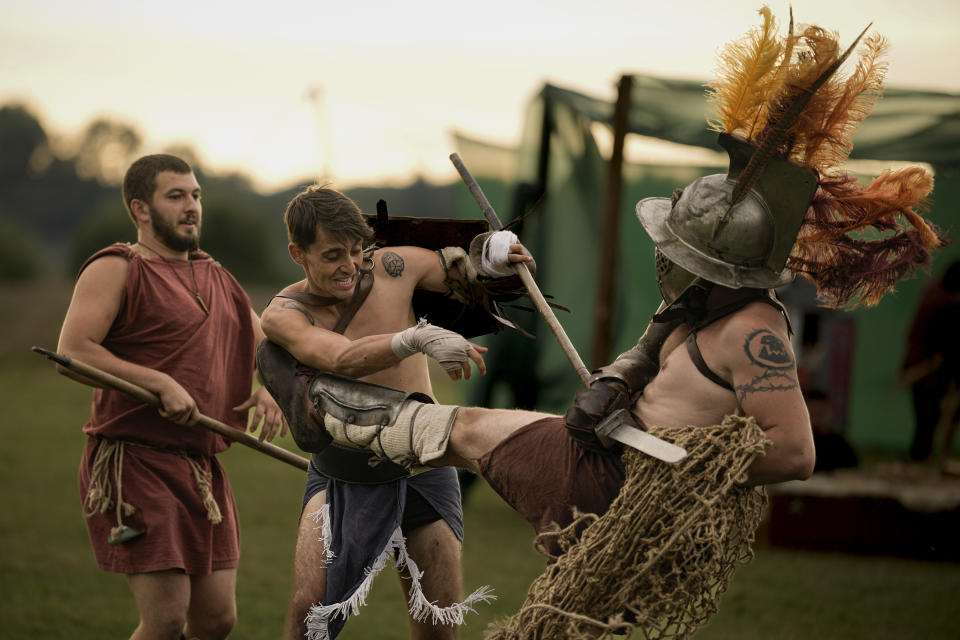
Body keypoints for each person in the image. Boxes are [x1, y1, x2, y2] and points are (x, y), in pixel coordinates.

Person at [259, 10, 944, 635]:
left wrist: (682, 466)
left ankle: (341, 417)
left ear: (713, 264)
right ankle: (349, 436)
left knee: (464, 430)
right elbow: (644, 353)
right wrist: (612, 384)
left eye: (680, 252)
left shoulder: (753, 331)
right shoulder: (695, 308)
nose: (667, 264)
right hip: (602, 460)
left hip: (623, 481)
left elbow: (796, 453)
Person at [256, 185, 534, 639]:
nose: (348, 266)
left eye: (355, 250)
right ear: (297, 253)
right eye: (331, 255)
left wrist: (497, 255)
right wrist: (415, 339)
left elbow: (465, 272)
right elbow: (340, 357)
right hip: (343, 470)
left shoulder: (390, 265)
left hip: (424, 463)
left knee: (439, 622)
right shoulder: (285, 313)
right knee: (310, 614)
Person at [56, 153, 287, 640]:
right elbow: (72, 350)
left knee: (215, 621)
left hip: (201, 471)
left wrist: (268, 387)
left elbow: (270, 352)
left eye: (196, 195)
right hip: (133, 465)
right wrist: (157, 382)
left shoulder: (220, 279)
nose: (192, 206)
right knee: (164, 619)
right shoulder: (118, 267)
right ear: (141, 208)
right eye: (176, 196)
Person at [901, 259, 960, 461]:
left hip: (923, 366)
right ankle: (925, 458)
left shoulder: (933, 294)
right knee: (928, 420)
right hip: (929, 370)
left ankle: (926, 457)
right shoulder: (946, 303)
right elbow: (943, 346)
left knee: (928, 419)